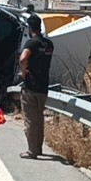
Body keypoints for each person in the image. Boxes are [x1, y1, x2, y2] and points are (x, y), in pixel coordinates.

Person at [19, 14, 54, 159]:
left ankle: (32, 151)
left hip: (30, 87)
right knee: (39, 120)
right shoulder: (49, 44)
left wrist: (23, 73)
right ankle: (38, 148)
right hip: (43, 87)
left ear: (30, 27)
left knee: (30, 121)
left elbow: (22, 58)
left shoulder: (31, 43)